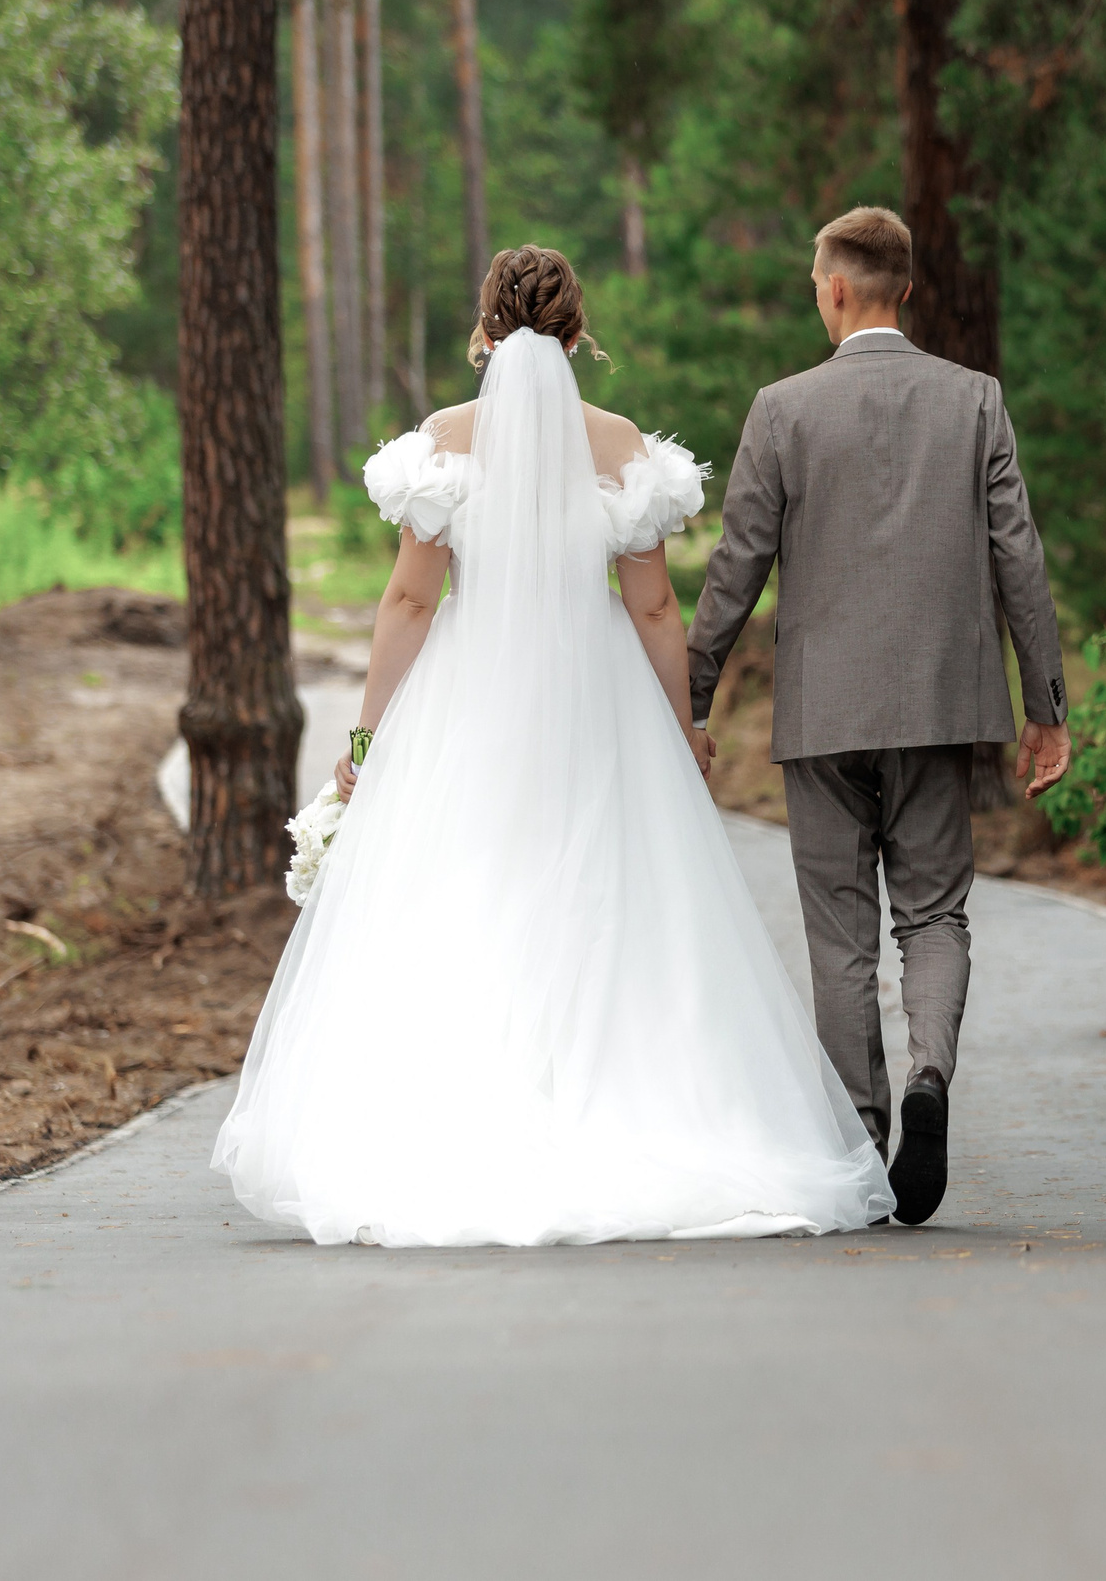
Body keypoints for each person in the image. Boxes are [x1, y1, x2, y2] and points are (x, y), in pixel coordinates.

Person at [211, 245, 894, 1247]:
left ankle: (456, 1126)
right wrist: (681, 729)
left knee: (467, 889)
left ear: (485, 328)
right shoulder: (621, 448)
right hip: (598, 699)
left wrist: (368, 732)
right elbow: (656, 609)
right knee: (612, 899)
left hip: (469, 695)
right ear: (578, 330)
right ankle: (632, 1111)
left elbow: (409, 596)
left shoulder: (445, 442)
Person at [686, 205, 1071, 1228]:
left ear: (843, 288)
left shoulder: (781, 409)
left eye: (817, 283)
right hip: (944, 705)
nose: (816, 297)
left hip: (823, 711)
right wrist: (1046, 706)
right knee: (936, 914)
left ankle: (859, 1135)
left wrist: (692, 695)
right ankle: (930, 1078)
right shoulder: (974, 401)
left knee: (840, 933)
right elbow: (1018, 558)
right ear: (902, 288)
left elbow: (737, 569)